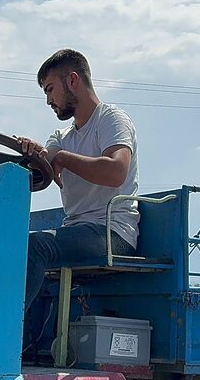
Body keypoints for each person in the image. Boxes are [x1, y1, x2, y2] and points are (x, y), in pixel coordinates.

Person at [17, 48, 140, 310]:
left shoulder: (111, 120)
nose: (49, 100)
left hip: (111, 234)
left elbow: (116, 172)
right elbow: (48, 158)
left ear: (73, 80)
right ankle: (19, 337)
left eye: (50, 89)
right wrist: (29, 153)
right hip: (77, 230)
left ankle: (1, 335)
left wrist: (63, 158)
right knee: (10, 243)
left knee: (36, 246)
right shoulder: (61, 137)